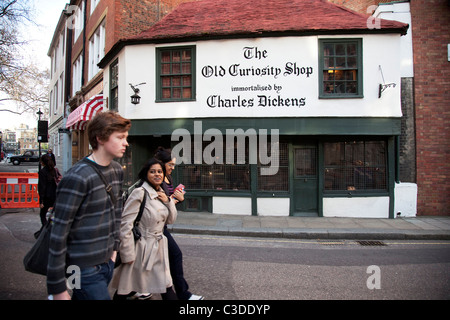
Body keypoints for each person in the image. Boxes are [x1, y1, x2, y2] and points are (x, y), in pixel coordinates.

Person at [46, 111, 131, 300]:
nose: (126, 143)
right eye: (120, 137)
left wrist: (114, 252)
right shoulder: (77, 176)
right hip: (80, 268)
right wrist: (58, 289)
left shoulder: (117, 170)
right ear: (100, 138)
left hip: (106, 262)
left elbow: (116, 214)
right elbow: (58, 233)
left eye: (126, 137)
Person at [111, 158, 178, 300]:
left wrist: (168, 201)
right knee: (126, 288)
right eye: (152, 171)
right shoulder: (139, 193)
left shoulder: (162, 194)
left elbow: (171, 220)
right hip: (140, 251)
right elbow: (126, 224)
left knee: (166, 286)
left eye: (160, 171)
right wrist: (127, 254)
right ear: (146, 174)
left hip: (158, 248)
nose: (157, 174)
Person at [155, 147, 204, 300]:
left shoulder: (168, 178)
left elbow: (168, 204)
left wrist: (177, 200)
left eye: (174, 165)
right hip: (155, 226)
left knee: (156, 261)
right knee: (174, 256)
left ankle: (131, 290)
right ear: (161, 164)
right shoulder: (157, 180)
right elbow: (158, 206)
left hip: (162, 225)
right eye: (170, 164)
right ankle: (183, 294)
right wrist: (173, 200)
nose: (172, 168)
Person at [36, 154, 58, 237]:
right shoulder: (54, 170)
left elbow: (42, 187)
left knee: (43, 214)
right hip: (55, 196)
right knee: (54, 214)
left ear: (43, 162)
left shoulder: (42, 172)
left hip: (47, 196)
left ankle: (46, 231)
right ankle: (50, 230)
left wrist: (41, 201)